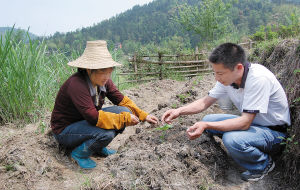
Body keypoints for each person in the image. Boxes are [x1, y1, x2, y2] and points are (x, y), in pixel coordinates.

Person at [161, 43, 290, 181]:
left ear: (238, 68)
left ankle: (263, 164)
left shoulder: (258, 79)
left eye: (220, 73)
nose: (216, 78)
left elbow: (245, 123)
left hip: (274, 134)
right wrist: (179, 111)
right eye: (215, 72)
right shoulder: (228, 80)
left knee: (231, 139)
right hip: (255, 127)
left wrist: (206, 126)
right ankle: (244, 151)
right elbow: (205, 102)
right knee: (208, 119)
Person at [51, 40, 159, 169]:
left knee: (125, 110)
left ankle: (96, 147)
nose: (107, 76)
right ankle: (79, 154)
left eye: (109, 71)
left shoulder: (103, 81)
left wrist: (143, 115)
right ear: (89, 70)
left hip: (82, 123)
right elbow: (93, 117)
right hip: (65, 131)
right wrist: (123, 119)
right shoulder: (77, 84)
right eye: (102, 71)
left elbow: (121, 100)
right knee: (106, 133)